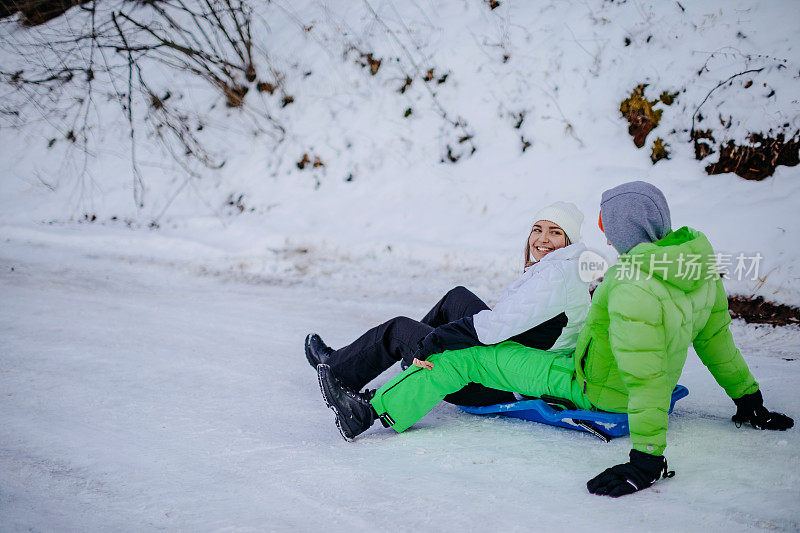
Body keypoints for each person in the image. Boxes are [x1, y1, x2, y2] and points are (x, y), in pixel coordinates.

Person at [316, 180, 793, 498]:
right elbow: (717, 343)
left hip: (590, 383)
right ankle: (391, 371)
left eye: (606, 223)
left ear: (622, 228)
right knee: (466, 329)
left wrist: (646, 460)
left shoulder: (630, 286)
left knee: (464, 359)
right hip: (591, 365)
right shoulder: (695, 268)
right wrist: (748, 399)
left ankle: (370, 409)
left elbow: (646, 378)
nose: (603, 233)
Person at [306, 201, 590, 408]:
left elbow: (492, 329)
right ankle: (413, 362)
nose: (542, 239)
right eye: (537, 229)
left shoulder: (556, 277)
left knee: (400, 330)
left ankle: (338, 371)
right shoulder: (566, 267)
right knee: (457, 298)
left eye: (554, 232)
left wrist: (435, 340)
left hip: (499, 381)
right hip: (512, 354)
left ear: (569, 240)